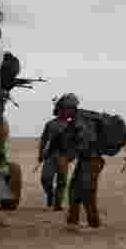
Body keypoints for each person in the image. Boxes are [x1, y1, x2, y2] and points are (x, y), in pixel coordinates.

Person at [58, 94, 104, 229]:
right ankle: (73, 220)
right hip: (85, 160)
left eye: (63, 109)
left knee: (87, 191)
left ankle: (93, 222)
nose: (61, 112)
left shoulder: (81, 121)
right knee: (74, 189)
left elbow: (86, 142)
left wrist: (69, 156)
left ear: (69, 108)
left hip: (91, 160)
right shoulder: (77, 120)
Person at [38, 99, 72, 210]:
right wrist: (41, 153)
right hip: (50, 155)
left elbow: (76, 143)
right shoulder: (51, 124)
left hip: (64, 156)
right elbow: (43, 140)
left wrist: (72, 155)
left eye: (67, 110)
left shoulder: (72, 126)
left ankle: (58, 204)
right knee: (45, 179)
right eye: (63, 109)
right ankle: (50, 195)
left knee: (62, 181)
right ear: (59, 110)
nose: (65, 112)